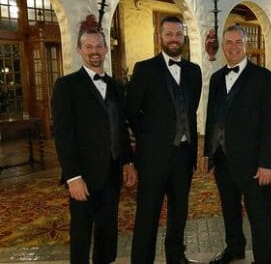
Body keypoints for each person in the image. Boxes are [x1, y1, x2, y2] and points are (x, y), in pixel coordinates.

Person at [51, 15, 136, 264]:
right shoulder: (67, 86)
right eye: (88, 47)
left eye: (99, 46)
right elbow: (63, 136)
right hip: (83, 175)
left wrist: (128, 162)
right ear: (80, 50)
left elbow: (119, 128)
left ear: (106, 49)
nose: (94, 51)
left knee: (108, 229)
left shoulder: (116, 86)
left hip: (111, 171)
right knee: (81, 231)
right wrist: (72, 177)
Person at [126, 16, 202, 264]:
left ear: (184, 37)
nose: (174, 39)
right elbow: (131, 112)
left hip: (184, 155)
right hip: (153, 158)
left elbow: (190, 110)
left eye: (178, 34)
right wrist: (151, 139)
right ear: (160, 37)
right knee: (148, 214)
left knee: (179, 213)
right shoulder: (144, 69)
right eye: (169, 34)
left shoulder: (194, 71)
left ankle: (176, 257)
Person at [204, 24, 271, 264]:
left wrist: (267, 163)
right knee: (229, 210)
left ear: (246, 45)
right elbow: (212, 118)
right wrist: (210, 155)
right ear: (223, 46)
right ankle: (235, 248)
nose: (233, 47)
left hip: (254, 163)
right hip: (223, 160)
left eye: (238, 42)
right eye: (229, 42)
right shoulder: (216, 78)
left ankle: (263, 258)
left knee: (259, 214)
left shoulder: (264, 78)